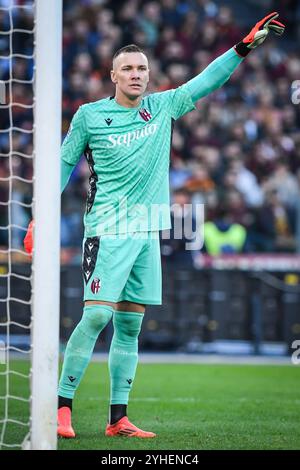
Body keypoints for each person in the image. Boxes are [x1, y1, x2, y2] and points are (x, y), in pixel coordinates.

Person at [24, 12, 285, 438]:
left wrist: (242, 48)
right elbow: (63, 164)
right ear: (112, 75)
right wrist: (41, 215)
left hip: (148, 233)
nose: (136, 74)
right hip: (108, 231)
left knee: (130, 326)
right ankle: (62, 407)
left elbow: (205, 81)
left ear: (149, 75)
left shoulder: (162, 107)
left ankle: (117, 419)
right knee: (95, 318)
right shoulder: (90, 115)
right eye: (127, 68)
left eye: (142, 68)